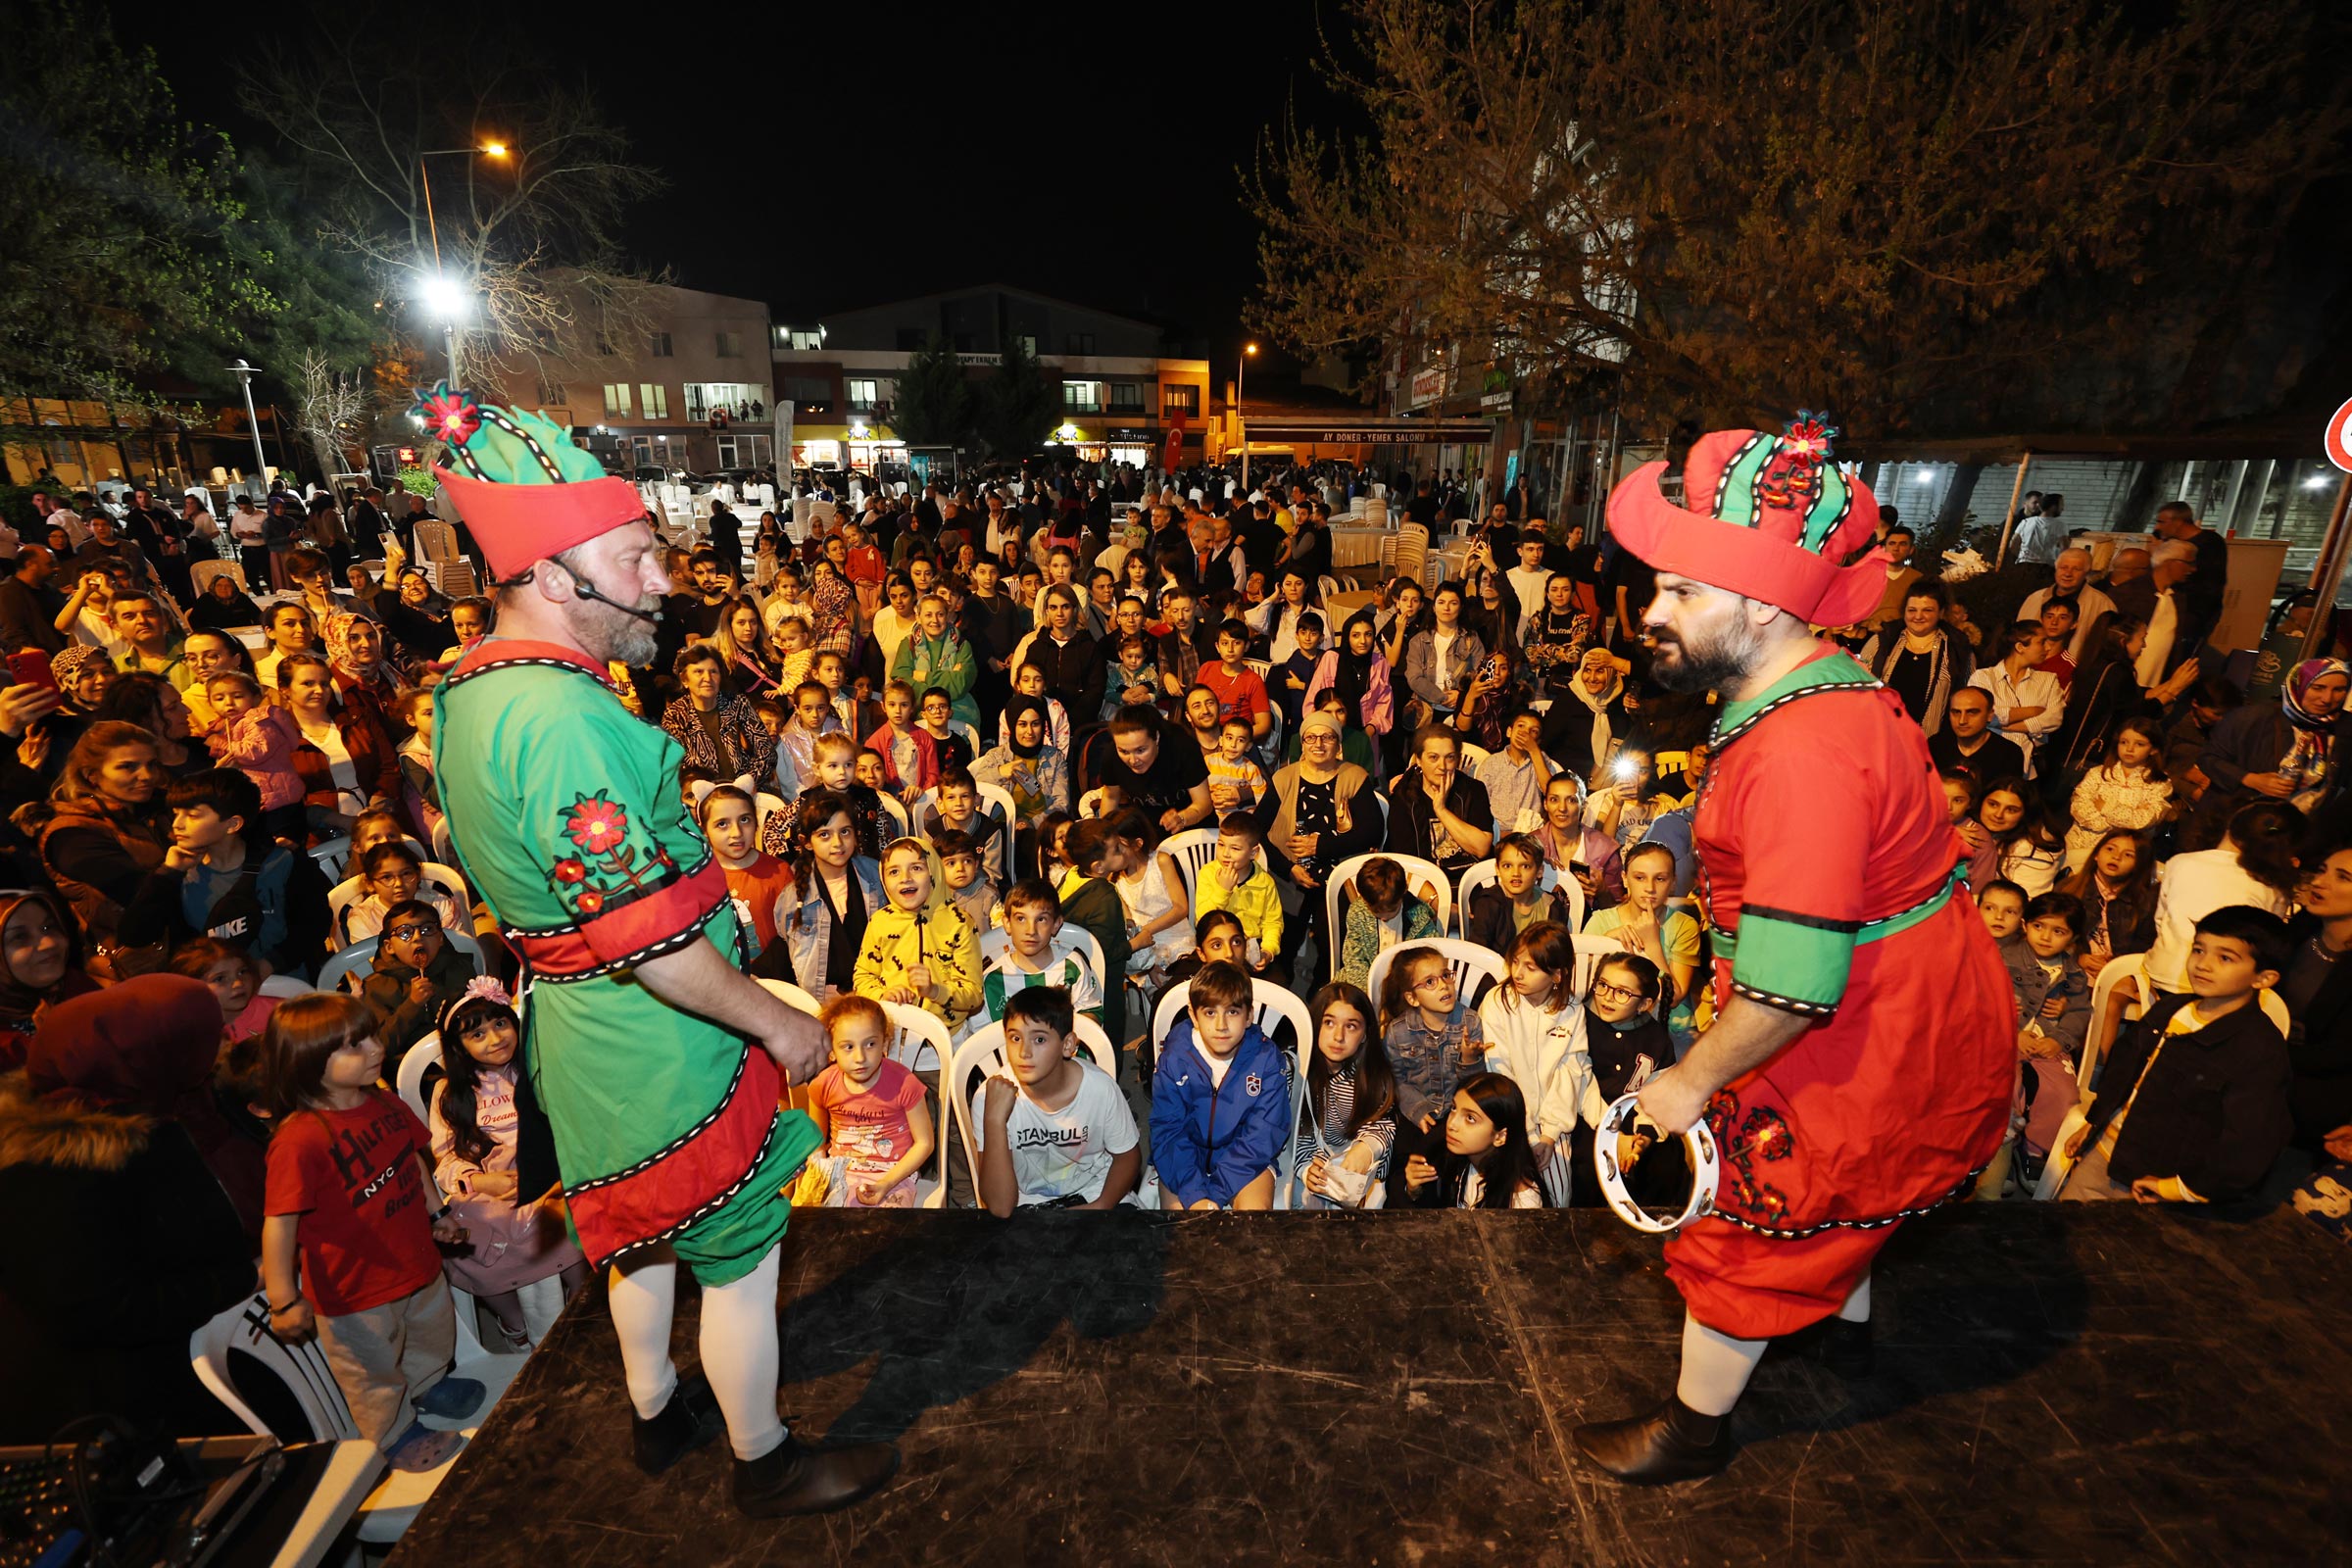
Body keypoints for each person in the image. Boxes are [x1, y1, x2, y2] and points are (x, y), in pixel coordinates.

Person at [425, 396, 896, 1513]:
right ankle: (766, 1458)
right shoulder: (560, 721)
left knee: (637, 1230)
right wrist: (780, 1023)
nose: (660, 580)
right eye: (636, 556)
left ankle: (653, 1411)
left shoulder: (477, 687)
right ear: (552, 571)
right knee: (737, 1252)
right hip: (656, 1044)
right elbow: (648, 940)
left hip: (587, 1039)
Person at [1573, 418, 2010, 1484]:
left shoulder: (1803, 754)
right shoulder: (1821, 683)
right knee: (1844, 1197)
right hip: (1908, 995)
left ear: (1764, 604)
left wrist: (1684, 1082)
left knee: (1752, 1210)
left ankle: (1695, 1432)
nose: (1652, 612)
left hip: (1866, 1024)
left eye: (1680, 591)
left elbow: (1791, 989)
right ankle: (1842, 1334)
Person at [0, 977, 265, 1443]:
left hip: (220, 1339)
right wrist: (245, 1278)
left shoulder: (170, 1100)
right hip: (130, 1409)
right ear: (142, 1055)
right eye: (191, 1042)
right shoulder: (56, 1169)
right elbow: (97, 1310)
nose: (215, 1048)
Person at [260, 994, 481, 1471]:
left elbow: (411, 1159)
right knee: (372, 1371)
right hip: (355, 1291)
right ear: (309, 1063)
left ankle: (427, 1385)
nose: (375, 1049)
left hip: (415, 1259)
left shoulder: (381, 1100)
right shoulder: (300, 1138)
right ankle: (394, 1432)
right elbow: (279, 1223)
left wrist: (437, 1213)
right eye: (353, 1046)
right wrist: (282, 1297)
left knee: (431, 1332)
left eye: (371, 1036)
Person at [2057, 906, 2293, 1202]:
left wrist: (2180, 1188)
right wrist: (2094, 1122)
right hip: (2106, 1152)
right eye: (2198, 950)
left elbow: (2251, 1141)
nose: (2203, 965)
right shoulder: (2171, 1009)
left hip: (2158, 1182)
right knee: (2064, 1231)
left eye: (2225, 958)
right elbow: (2123, 1071)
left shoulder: (2259, 1049)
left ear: (2263, 978)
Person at [429, 980, 591, 1348]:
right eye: (478, 1034)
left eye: (500, 1024)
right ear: (459, 1048)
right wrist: (481, 1182)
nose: (494, 1039)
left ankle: (584, 1304)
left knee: (563, 1218)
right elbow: (444, 1158)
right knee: (468, 1242)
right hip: (489, 1187)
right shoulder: (449, 1095)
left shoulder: (540, 1068)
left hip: (549, 1176)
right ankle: (514, 1320)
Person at [975, 985, 1142, 1214]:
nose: (1024, 1052)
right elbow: (1001, 1207)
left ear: (1068, 1045)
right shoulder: (989, 1096)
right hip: (1025, 1202)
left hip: (1094, 1191)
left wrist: (1101, 1205)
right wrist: (994, 1120)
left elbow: (1128, 1157)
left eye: (1039, 1040)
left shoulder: (1099, 1088)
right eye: (1015, 1038)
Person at [1150, 959, 1292, 1210]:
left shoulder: (1266, 1060)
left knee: (1250, 1228)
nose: (1221, 1025)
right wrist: (1194, 1194)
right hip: (1184, 1160)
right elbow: (1168, 1132)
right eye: (1210, 1012)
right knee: (1180, 1235)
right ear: (1194, 1015)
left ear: (1249, 1016)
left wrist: (1216, 1192)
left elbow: (1264, 1134)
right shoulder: (1174, 1059)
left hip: (1245, 1162)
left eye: (1233, 1012)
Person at [1477, 922, 1584, 1203]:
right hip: (1506, 1119)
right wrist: (1525, 1131)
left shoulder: (1572, 1011)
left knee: (1556, 1198)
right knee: (1501, 1196)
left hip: (1553, 1122)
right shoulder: (1498, 1002)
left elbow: (1570, 1073)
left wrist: (1548, 1135)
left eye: (1531, 967)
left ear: (1557, 974)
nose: (1518, 973)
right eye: (1515, 962)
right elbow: (1498, 1069)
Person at [2144, 800, 2300, 992]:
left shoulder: (2180, 862)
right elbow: (2265, 945)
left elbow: (2160, 921)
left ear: (2231, 824)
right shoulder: (2272, 887)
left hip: (2161, 975)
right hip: (2222, 989)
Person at [808, 994, 934, 1209]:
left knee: (883, 1233)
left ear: (884, 1042)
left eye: (870, 1044)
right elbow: (816, 1142)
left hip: (894, 1175)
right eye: (848, 1047)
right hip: (839, 1172)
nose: (859, 1057)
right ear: (831, 1049)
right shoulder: (823, 1085)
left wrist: (887, 1182)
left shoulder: (905, 1084)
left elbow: (925, 1143)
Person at [853, 839, 982, 1035]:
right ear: (883, 879)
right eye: (894, 872)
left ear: (933, 872)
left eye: (916, 868)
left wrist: (935, 991)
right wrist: (882, 995)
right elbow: (863, 976)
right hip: (893, 1034)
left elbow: (973, 994)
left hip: (947, 1037)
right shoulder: (880, 922)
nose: (905, 878)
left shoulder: (959, 923)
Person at [1292, 981, 1396, 1209]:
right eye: (1329, 1023)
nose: (1338, 1036)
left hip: (1350, 1165)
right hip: (1306, 1164)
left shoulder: (1370, 1073)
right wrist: (1305, 1168)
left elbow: (1382, 1122)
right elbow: (1294, 1130)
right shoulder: (1294, 1070)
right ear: (1315, 1024)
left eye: (1351, 1026)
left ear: (1365, 1034)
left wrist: (1367, 1147)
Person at [981, 877, 1105, 1029]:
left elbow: (1091, 1013)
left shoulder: (1072, 967)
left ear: (1056, 924)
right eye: (1021, 919)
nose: (1031, 931)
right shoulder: (992, 981)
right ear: (1007, 923)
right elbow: (981, 1038)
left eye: (1041, 919)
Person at [1856, 580, 1973, 733]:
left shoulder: (1956, 648)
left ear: (1941, 612)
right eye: (1912, 610)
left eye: (1927, 610)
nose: (1918, 616)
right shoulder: (1883, 641)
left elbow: (1966, 696)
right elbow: (1858, 685)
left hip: (1928, 743)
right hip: (1880, 735)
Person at [2063, 715, 2172, 871]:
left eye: (2139, 744)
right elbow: (2079, 806)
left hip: (2125, 856)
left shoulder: (2159, 783)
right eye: (2124, 742)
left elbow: (2145, 820)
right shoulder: (2098, 774)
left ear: (2153, 749)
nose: (2129, 748)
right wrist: (2109, 826)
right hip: (2082, 847)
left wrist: (2106, 808)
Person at [1387, 723, 1493, 872]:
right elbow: (1405, 862)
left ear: (1457, 760)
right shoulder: (1404, 798)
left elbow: (1482, 849)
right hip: (1425, 883)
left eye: (1449, 757)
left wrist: (1441, 810)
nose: (1442, 766)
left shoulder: (1473, 790)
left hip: (1470, 878)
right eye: (1433, 758)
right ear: (1418, 759)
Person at [1968, 619, 2066, 777]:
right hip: (1989, 761)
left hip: (2028, 768)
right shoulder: (1983, 677)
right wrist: (2033, 711)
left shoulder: (2048, 680)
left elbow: (2054, 718)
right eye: (2041, 642)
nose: (2048, 647)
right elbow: (1980, 714)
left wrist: (2008, 726)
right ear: (2020, 647)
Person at [1194, 811, 1285, 980]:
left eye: (1235, 848)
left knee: (1277, 983)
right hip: (1217, 946)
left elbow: (1273, 922)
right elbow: (1202, 919)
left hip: (1250, 947)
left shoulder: (1265, 882)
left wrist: (1268, 950)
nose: (1226, 853)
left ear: (1253, 852)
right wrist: (1223, 890)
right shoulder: (1208, 873)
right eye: (1221, 845)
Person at [1927, 686, 2029, 791]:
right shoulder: (1935, 745)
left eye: (1972, 712)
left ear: (1990, 715)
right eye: (1956, 712)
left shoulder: (2009, 753)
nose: (1962, 721)